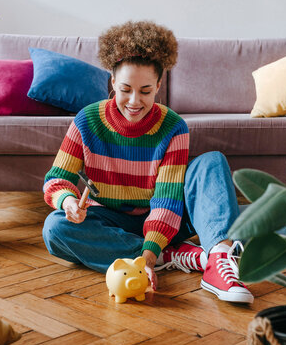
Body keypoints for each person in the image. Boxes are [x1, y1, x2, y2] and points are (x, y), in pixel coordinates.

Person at [42, 21, 253, 303]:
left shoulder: (173, 127)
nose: (133, 101)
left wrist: (149, 253)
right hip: (109, 216)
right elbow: (57, 179)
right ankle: (176, 255)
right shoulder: (86, 121)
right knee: (55, 229)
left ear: (158, 86)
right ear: (113, 81)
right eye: (126, 89)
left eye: (145, 91)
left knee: (211, 162)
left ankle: (217, 259)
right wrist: (68, 202)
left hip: (167, 218)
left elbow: (167, 202)